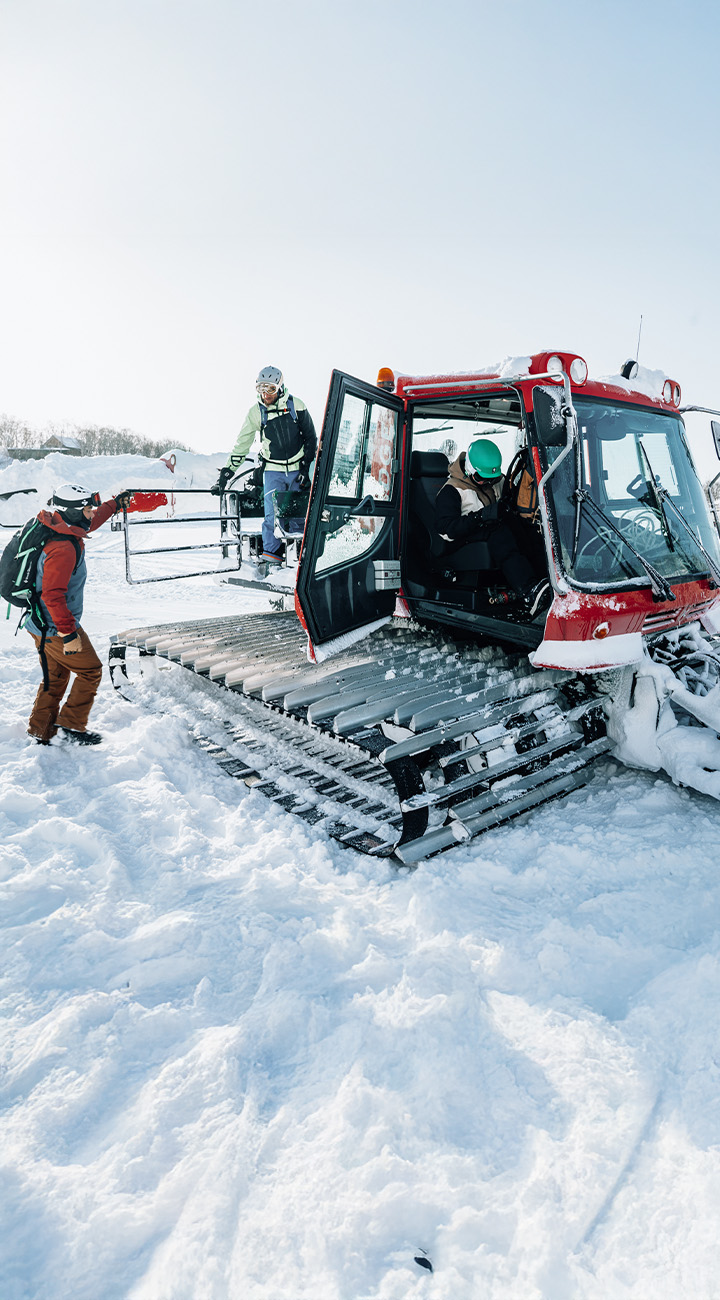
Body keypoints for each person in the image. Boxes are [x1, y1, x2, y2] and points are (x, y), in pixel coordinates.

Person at [25, 483, 133, 745]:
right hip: (56, 626)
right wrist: (69, 632)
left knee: (56, 678)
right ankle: (71, 727)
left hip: (37, 624)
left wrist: (115, 504)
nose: (91, 514)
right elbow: (52, 595)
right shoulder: (62, 547)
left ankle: (41, 730)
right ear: (73, 512)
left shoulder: (58, 525)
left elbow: (91, 523)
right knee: (91, 671)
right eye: (87, 509)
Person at [212, 366, 317, 565]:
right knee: (272, 515)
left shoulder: (297, 405)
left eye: (269, 389)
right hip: (272, 470)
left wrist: (306, 467)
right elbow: (242, 444)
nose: (265, 394)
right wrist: (226, 474)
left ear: (279, 387)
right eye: (261, 388)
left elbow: (311, 438)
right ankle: (272, 557)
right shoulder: (256, 412)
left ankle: (299, 556)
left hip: (297, 469)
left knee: (297, 514)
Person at [434, 439, 550, 615]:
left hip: (488, 526)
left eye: (491, 479)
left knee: (524, 527)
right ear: (469, 470)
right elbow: (446, 530)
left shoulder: (495, 480)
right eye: (480, 479)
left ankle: (546, 580)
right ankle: (527, 591)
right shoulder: (451, 490)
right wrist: (480, 516)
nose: (486, 483)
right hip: (459, 538)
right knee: (498, 532)